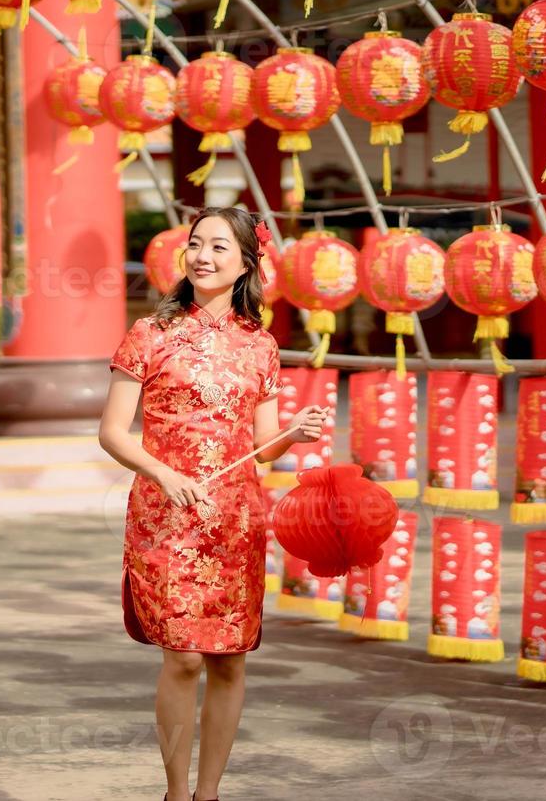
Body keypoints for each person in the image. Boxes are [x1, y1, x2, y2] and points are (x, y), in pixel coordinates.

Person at [100, 206, 328, 801]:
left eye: (219, 247)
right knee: (182, 658)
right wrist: (162, 472)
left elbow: (263, 450)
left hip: (234, 517)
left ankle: (210, 794)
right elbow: (113, 432)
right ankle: (176, 793)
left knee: (229, 660)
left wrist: (294, 432)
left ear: (247, 264)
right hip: (166, 516)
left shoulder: (261, 346)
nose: (202, 256)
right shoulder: (149, 335)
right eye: (196, 244)